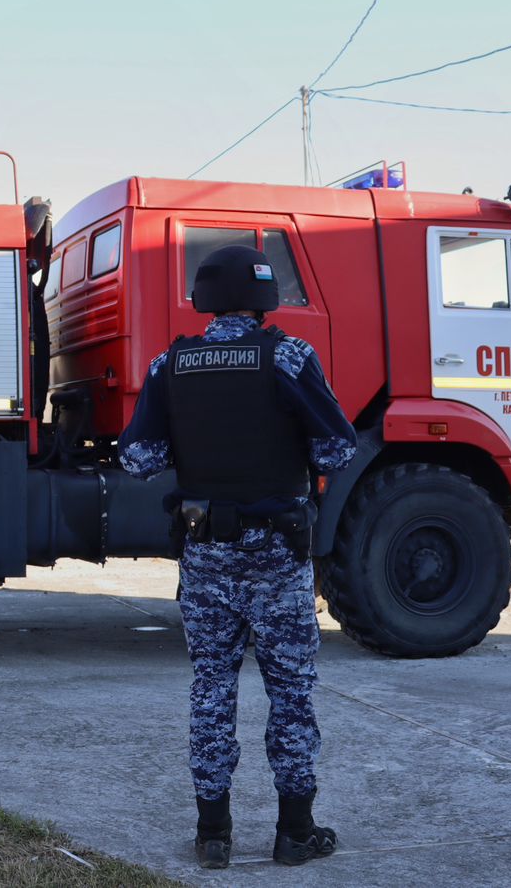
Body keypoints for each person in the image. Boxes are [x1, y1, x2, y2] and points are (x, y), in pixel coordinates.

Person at [118, 244, 357, 869]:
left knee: (211, 692)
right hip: (278, 558)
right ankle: (295, 832)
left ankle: (213, 835)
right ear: (263, 296)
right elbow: (336, 450)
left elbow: (138, 459)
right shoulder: (289, 357)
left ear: (203, 297)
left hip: (206, 559)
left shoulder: (171, 364)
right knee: (292, 695)